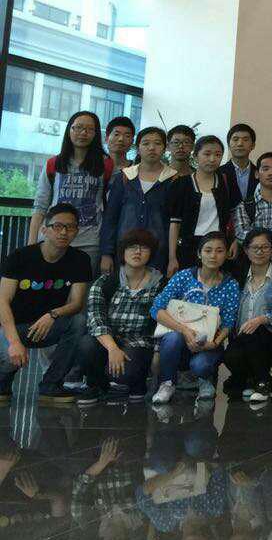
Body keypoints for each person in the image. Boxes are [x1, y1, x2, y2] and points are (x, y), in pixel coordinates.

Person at [0, 202, 93, 403]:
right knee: (9, 360)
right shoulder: (20, 257)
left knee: (79, 322)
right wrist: (14, 341)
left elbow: (76, 303)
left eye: (70, 227)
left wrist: (52, 314)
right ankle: (2, 383)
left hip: (47, 326)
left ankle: (51, 385)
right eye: (57, 226)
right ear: (44, 229)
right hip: (12, 327)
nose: (64, 232)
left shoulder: (80, 260)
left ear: (76, 231)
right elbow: (2, 301)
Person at [76, 227, 164, 405]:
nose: (137, 252)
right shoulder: (105, 282)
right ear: (122, 252)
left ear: (151, 253)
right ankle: (95, 385)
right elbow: (96, 320)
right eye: (132, 247)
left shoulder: (162, 284)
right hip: (108, 339)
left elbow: (162, 324)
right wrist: (113, 348)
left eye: (144, 248)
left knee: (126, 373)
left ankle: (137, 384)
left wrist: (157, 352)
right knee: (86, 345)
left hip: (140, 342)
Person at [150, 230, 240, 404]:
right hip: (180, 338)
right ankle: (167, 383)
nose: (213, 255)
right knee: (172, 338)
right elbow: (157, 310)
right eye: (208, 250)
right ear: (199, 253)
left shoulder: (231, 285)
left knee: (201, 365)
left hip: (209, 343)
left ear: (226, 254)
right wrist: (184, 331)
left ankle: (204, 380)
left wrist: (214, 343)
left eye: (219, 251)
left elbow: (229, 322)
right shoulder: (183, 276)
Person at [29, 110, 115, 267]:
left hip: (89, 242)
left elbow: (112, 210)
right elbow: (40, 205)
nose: (83, 133)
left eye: (89, 129)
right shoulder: (53, 163)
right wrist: (31, 244)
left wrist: (106, 251)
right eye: (78, 127)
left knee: (82, 283)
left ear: (96, 134)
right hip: (51, 239)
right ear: (69, 130)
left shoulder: (106, 165)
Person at [221, 227, 272, 404]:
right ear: (246, 250)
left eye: (265, 247)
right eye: (255, 247)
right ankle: (250, 379)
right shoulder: (238, 278)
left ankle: (263, 384)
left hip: (271, 338)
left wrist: (260, 320)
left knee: (254, 332)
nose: (260, 251)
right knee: (230, 356)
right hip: (241, 337)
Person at [100, 125, 176, 273]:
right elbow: (111, 218)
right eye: (146, 143)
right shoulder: (124, 177)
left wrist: (172, 257)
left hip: (159, 254)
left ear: (165, 148)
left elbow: (175, 223)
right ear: (138, 148)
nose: (152, 148)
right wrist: (106, 253)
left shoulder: (173, 179)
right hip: (124, 251)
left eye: (157, 143)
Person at [167, 134, 234, 273]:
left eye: (217, 155)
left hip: (218, 247)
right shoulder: (182, 183)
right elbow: (175, 223)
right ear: (196, 156)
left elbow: (232, 215)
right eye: (207, 154)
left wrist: (234, 241)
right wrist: (172, 257)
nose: (212, 159)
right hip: (188, 248)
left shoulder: (226, 181)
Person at [231, 152, 272, 273]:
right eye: (265, 169)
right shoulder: (245, 205)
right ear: (257, 174)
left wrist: (255, 234)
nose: (271, 173)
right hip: (250, 273)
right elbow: (242, 236)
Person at [220, 123, 258, 209]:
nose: (240, 143)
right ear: (228, 145)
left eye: (245, 139)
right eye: (235, 139)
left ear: (253, 145)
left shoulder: (260, 173)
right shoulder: (219, 173)